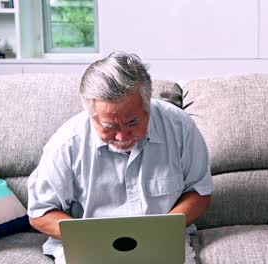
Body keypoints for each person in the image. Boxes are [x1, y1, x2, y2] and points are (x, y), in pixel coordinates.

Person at [27, 52, 213, 264]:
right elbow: (39, 212)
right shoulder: (66, 144)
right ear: (91, 114)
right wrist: (96, 238)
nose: (122, 136)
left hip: (162, 244)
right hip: (89, 248)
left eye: (133, 122)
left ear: (148, 105)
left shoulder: (180, 127)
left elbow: (200, 192)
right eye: (110, 126)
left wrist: (160, 230)